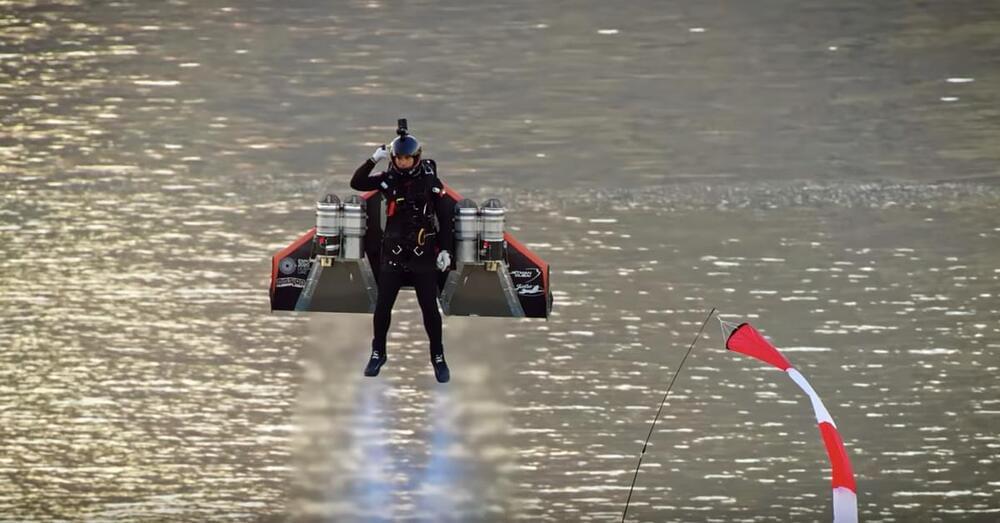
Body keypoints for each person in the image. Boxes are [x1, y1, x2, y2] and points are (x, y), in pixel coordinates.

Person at [350, 131, 454, 383]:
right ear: (394, 159)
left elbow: (445, 217)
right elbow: (357, 183)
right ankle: (378, 352)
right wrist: (373, 159)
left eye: (407, 158)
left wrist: (446, 250)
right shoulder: (387, 179)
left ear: (416, 158)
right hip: (394, 254)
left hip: (422, 255)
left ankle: (438, 357)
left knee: (429, 309)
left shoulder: (430, 181)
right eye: (399, 158)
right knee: (383, 307)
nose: (403, 162)